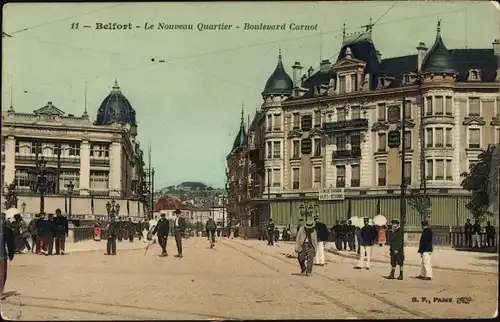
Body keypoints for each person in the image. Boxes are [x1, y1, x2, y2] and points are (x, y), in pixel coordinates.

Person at [0, 213, 15, 300]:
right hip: (2, 256)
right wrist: (11, 254)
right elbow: (10, 244)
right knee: (2, 274)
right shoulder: (6, 230)